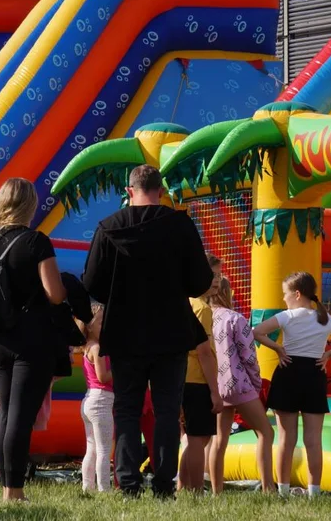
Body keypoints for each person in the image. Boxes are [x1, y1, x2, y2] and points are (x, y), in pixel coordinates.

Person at [81, 164, 212, 499]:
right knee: (168, 409)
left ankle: (128, 483)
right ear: (160, 190)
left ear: (129, 191)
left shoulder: (109, 227)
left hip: (125, 333)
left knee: (126, 408)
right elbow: (201, 281)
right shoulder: (179, 224)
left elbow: (92, 283)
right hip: (171, 331)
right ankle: (164, 485)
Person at [0, 178, 66, 502]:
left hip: (1, 338)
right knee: (20, 419)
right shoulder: (37, 242)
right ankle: (14, 492)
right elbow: (54, 294)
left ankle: (8, 489)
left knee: (9, 417)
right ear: (29, 205)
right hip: (34, 339)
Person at [253, 272, 331, 497]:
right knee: (313, 440)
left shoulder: (288, 316)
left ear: (297, 294)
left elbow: (257, 332)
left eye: (285, 294)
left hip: (289, 372)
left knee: (286, 439)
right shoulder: (325, 319)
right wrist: (330, 354)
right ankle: (314, 491)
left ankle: (282, 490)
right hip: (314, 375)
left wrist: (278, 348)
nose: (284, 299)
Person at [208, 280, 273, 494]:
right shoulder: (235, 319)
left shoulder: (206, 318)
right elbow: (248, 355)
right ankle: (268, 487)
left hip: (216, 385)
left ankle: (217, 491)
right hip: (238, 384)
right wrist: (256, 383)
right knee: (265, 432)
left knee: (219, 439)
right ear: (227, 294)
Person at [178, 254, 226, 493]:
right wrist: (215, 391)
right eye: (213, 275)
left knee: (189, 438)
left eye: (219, 275)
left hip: (178, 378)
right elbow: (204, 353)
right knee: (199, 438)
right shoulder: (202, 309)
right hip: (196, 380)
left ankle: (183, 485)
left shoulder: (181, 302)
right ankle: (195, 489)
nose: (217, 280)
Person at [80, 303, 113, 493]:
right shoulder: (98, 347)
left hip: (89, 400)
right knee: (103, 449)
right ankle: (104, 489)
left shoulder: (87, 347)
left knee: (91, 448)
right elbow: (103, 377)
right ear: (90, 326)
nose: (105, 326)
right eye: (101, 323)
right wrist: (118, 369)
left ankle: (87, 486)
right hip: (101, 400)